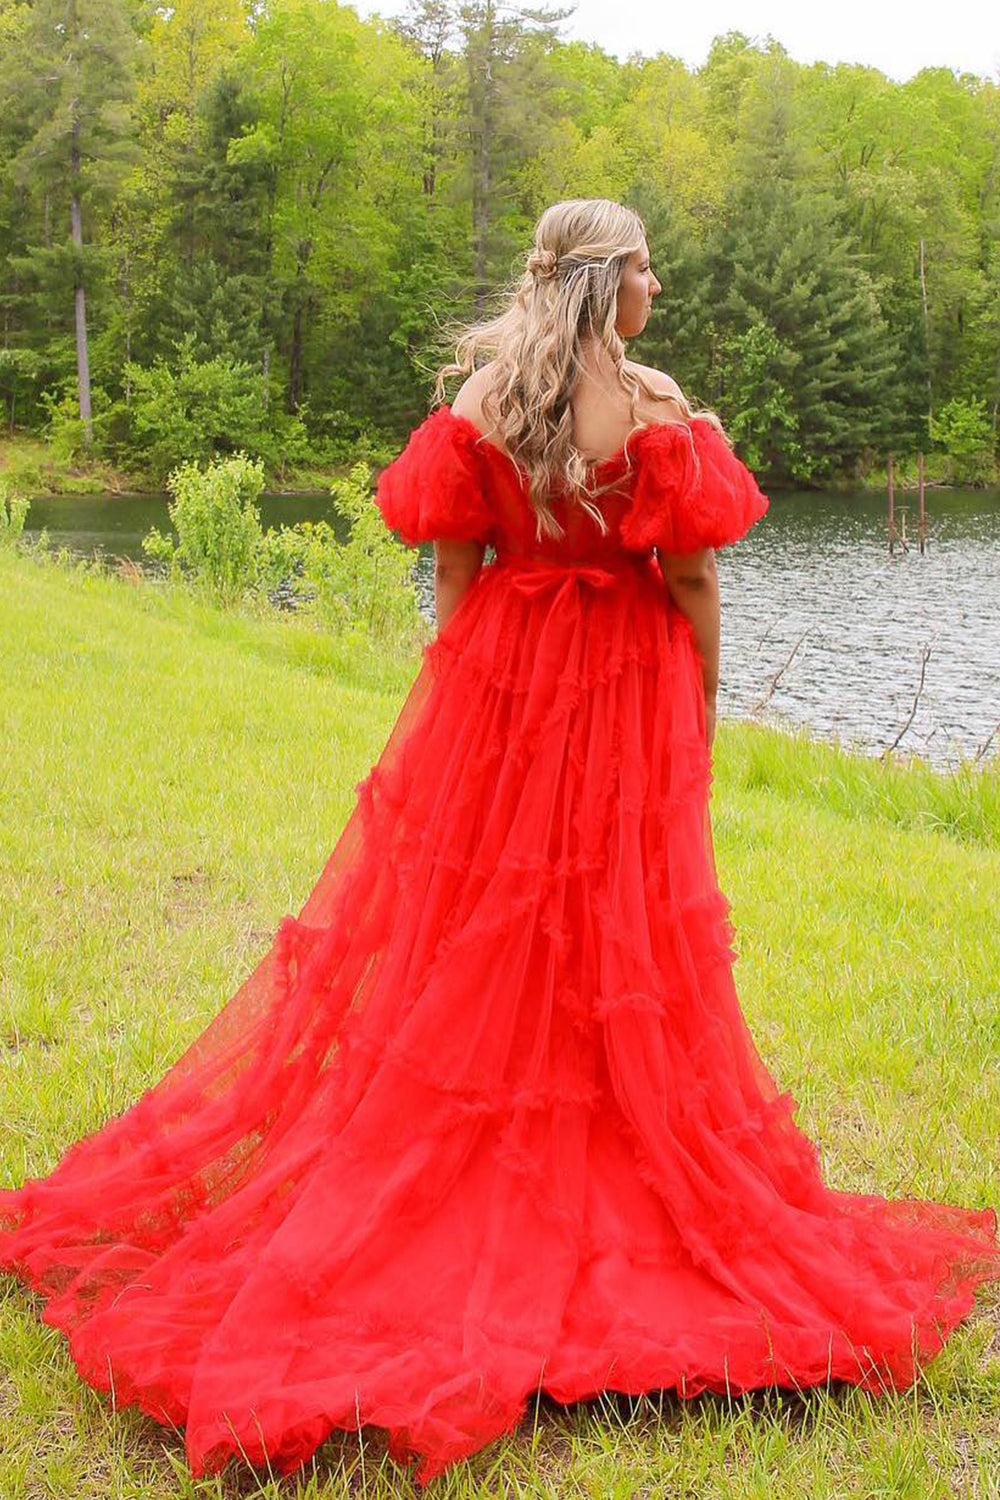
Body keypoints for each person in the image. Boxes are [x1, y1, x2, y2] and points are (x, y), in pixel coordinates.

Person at [1, 197, 998, 1490]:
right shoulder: (651, 405)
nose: (658, 280)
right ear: (605, 284)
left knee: (485, 931)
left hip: (507, 678)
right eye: (644, 264)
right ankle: (596, 1148)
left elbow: (456, 571)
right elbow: (691, 581)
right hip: (625, 680)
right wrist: (697, 701)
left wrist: (473, 696)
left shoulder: (482, 400)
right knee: (618, 928)